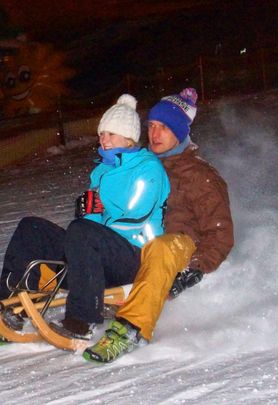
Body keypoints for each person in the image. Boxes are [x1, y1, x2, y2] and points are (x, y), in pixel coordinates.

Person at [0, 94, 170, 338]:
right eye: (101, 133)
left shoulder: (147, 168)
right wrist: (88, 213)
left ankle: (82, 321)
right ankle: (12, 305)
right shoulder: (102, 171)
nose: (103, 140)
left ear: (128, 139)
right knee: (32, 227)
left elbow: (136, 216)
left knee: (81, 232)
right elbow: (93, 224)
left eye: (110, 134)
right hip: (97, 256)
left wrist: (96, 212)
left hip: (133, 256)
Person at [83, 88, 234, 363]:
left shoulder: (200, 176)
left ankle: (130, 329)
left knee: (161, 247)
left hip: (179, 245)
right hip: (138, 243)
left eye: (163, 128)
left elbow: (220, 232)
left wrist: (196, 268)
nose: (154, 134)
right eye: (151, 126)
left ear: (179, 132)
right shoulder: (139, 164)